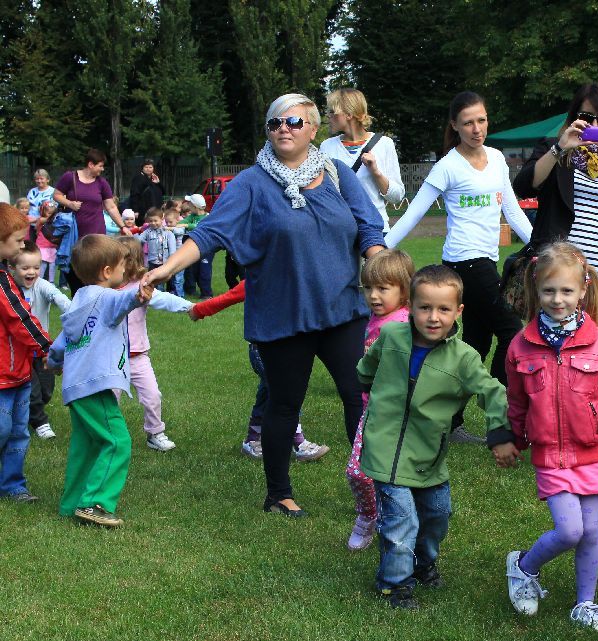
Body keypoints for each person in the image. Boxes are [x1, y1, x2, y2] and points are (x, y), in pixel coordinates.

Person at [143, 93, 385, 517]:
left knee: (357, 397)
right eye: (275, 124)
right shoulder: (252, 183)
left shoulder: (337, 174)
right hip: (282, 313)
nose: (283, 130)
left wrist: (381, 266)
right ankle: (278, 494)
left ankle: (376, 484)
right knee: (284, 404)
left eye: (293, 122)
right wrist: (165, 269)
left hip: (342, 309)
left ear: (313, 129)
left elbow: (368, 226)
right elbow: (210, 233)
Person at [497, 242, 598, 633]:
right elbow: (515, 400)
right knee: (570, 530)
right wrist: (512, 438)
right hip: (550, 455)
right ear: (536, 291)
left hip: (594, 453)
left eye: (566, 291)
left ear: (583, 289)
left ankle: (586, 604)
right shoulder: (520, 346)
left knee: (592, 531)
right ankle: (523, 566)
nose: (557, 299)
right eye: (549, 291)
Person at [512, 82, 598, 471]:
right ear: (574, 115)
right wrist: (561, 147)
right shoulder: (556, 148)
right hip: (563, 281)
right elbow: (525, 185)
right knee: (560, 364)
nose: (592, 124)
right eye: (586, 116)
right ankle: (560, 442)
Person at [357, 265, 514, 609]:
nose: (432, 317)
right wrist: (371, 387)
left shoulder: (464, 358)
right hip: (384, 451)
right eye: (424, 307)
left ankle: (423, 563)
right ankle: (393, 585)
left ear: (458, 311)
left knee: (437, 516)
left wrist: (501, 434)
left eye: (443, 309)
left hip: (428, 456)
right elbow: (366, 369)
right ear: (410, 306)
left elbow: (493, 393)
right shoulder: (391, 337)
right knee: (402, 520)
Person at [384, 91, 531, 441]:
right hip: (464, 263)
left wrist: (550, 249)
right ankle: (498, 396)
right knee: (512, 328)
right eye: (468, 122)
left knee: (475, 347)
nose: (476, 128)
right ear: (455, 125)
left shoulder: (496, 159)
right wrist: (378, 249)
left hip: (487, 261)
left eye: (481, 120)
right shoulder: (447, 166)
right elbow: (413, 213)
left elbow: (511, 211)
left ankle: (449, 423)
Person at [47, 235, 153, 527]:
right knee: (117, 441)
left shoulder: (78, 300)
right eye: (122, 265)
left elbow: (61, 341)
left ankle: (71, 504)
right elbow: (124, 300)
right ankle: (95, 503)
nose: (125, 271)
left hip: (75, 387)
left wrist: (54, 362)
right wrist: (138, 295)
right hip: (95, 385)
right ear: (107, 271)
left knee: (86, 446)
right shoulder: (107, 298)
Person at [188, 279, 330, 463]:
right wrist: (198, 310)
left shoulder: (295, 279)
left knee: (267, 394)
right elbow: (227, 298)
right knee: (286, 393)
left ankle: (252, 440)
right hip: (262, 351)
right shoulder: (258, 278)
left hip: (285, 349)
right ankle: (299, 444)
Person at [345, 249, 414, 551]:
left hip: (399, 416)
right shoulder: (377, 317)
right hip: (371, 411)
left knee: (396, 477)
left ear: (404, 289)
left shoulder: (404, 324)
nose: (374, 296)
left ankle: (390, 521)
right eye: (368, 288)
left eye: (383, 288)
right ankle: (368, 515)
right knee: (358, 472)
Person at [115, 237, 192, 452]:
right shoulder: (105, 290)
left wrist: (190, 307)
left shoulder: (142, 288)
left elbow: (165, 300)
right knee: (110, 399)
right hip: (110, 359)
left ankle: (155, 433)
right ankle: (108, 436)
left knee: (152, 395)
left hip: (138, 356)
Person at [0, 204, 52, 502]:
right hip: (2, 377)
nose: (23, 244)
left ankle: (12, 485)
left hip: (19, 374)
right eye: (19, 239)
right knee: (3, 429)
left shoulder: (7, 278)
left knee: (19, 433)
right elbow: (20, 320)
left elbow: (24, 317)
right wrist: (47, 348)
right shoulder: (2, 282)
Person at [321, 88, 405, 233]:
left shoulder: (384, 144)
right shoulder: (326, 147)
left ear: (348, 114)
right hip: (339, 231)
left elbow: (397, 196)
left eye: (332, 112)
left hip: (375, 229)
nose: (328, 116)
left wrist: (376, 172)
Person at [11, 241, 71, 441]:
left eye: (37, 267)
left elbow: (57, 296)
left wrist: (72, 311)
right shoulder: (9, 289)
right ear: (12, 268)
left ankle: (24, 411)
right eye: (25, 268)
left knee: (45, 391)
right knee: (33, 391)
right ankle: (40, 423)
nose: (32, 272)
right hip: (21, 351)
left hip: (43, 350)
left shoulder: (41, 285)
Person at [52, 149, 130, 294]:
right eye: (100, 166)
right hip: (74, 235)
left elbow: (111, 206)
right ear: (90, 164)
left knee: (96, 271)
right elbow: (56, 195)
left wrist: (122, 226)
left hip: (96, 235)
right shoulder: (70, 177)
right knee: (74, 272)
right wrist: (69, 203)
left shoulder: (102, 183)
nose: (102, 169)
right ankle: (78, 299)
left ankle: (96, 302)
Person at [179, 194, 211, 298]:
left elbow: (201, 226)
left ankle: (206, 294)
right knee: (192, 269)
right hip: (193, 246)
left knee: (204, 271)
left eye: (190, 204)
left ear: (195, 206)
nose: (188, 205)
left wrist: (187, 225)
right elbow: (181, 222)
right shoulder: (192, 216)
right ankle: (190, 290)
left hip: (206, 248)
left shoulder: (208, 217)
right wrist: (182, 224)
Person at [135, 208, 176, 282]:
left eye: (155, 221)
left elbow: (172, 249)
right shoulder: (147, 232)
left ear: (161, 219)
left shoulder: (168, 232)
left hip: (166, 261)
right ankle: (156, 291)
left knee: (170, 280)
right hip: (153, 262)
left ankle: (172, 291)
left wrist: (171, 259)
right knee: (155, 280)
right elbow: (139, 239)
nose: (153, 223)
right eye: (150, 221)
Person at [34, 201, 59, 283]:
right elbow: (37, 228)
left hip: (52, 246)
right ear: (43, 212)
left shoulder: (54, 220)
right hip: (42, 246)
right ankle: (39, 280)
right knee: (43, 264)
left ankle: (51, 281)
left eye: (53, 213)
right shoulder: (42, 219)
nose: (51, 215)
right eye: (49, 213)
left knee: (52, 264)